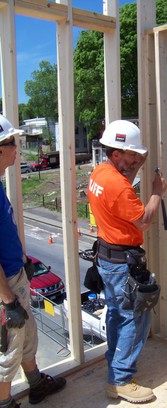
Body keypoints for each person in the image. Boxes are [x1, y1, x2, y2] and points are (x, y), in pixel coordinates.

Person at [87, 120, 167, 403]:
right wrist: (157, 192)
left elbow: (123, 179)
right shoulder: (119, 187)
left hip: (108, 258)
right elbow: (144, 221)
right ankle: (120, 380)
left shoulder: (100, 172)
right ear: (117, 152)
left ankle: (115, 363)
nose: (136, 159)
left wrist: (137, 162)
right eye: (131, 154)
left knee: (116, 314)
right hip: (123, 263)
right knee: (136, 317)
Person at [0, 114, 66, 408]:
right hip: (5, 287)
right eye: (13, 142)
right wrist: (7, 301)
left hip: (14, 275)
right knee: (8, 349)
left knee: (27, 336)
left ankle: (36, 384)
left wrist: (22, 259)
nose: (17, 147)